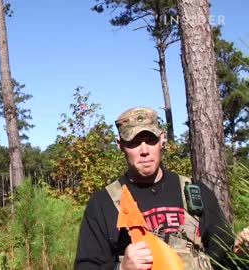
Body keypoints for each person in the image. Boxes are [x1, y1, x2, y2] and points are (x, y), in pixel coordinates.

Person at [74, 107, 247, 270]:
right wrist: (122, 268)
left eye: (150, 140)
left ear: (162, 139)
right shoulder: (102, 203)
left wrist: (240, 249)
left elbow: (224, 257)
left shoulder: (195, 192)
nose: (144, 150)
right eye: (133, 142)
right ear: (120, 145)